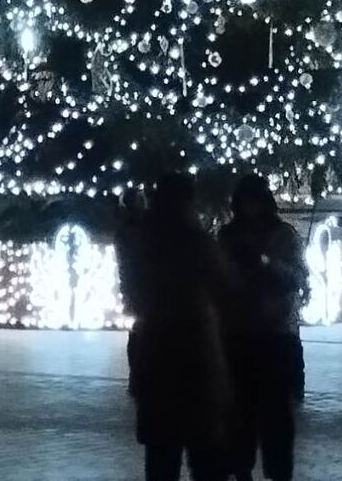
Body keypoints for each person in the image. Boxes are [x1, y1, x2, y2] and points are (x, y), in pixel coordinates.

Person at [117, 171, 234, 481]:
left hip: (155, 348)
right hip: (195, 350)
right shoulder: (196, 241)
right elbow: (224, 285)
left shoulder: (143, 240)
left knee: (161, 454)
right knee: (205, 451)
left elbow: (132, 287)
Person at [219, 174, 308, 481]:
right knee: (240, 412)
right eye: (244, 202)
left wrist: (266, 262)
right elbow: (220, 282)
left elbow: (296, 277)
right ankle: (241, 468)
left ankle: (278, 472)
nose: (250, 209)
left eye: (255, 202)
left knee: (276, 417)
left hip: (275, 334)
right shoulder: (228, 236)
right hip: (239, 333)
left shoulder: (283, 235)